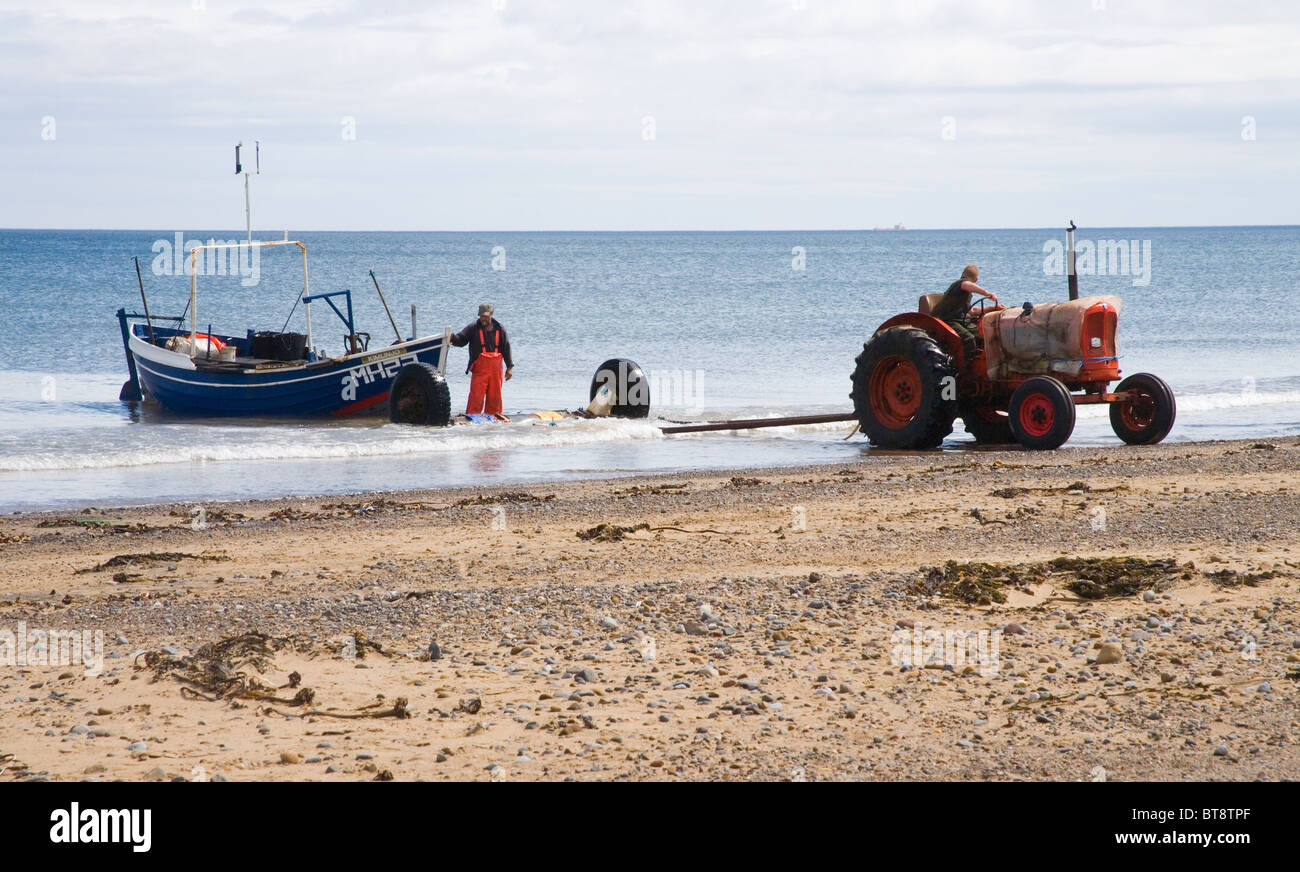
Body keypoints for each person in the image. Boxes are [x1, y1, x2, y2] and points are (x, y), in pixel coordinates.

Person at [450, 303, 514, 416]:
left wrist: (509, 367)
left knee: (495, 396)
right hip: (480, 370)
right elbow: (461, 340)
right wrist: (453, 338)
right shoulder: (472, 328)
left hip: (496, 370)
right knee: (476, 396)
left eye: (485, 316)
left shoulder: (500, 328)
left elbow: (506, 347)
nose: (483, 319)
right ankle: (472, 417)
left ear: (491, 314)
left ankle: (493, 417)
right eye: (481, 316)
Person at [930, 264, 998, 360]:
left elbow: (972, 311)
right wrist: (987, 294)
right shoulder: (960, 284)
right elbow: (966, 284)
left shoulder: (965, 293)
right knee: (968, 338)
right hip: (948, 319)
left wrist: (993, 308)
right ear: (976, 280)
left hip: (960, 320)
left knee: (982, 335)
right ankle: (966, 368)